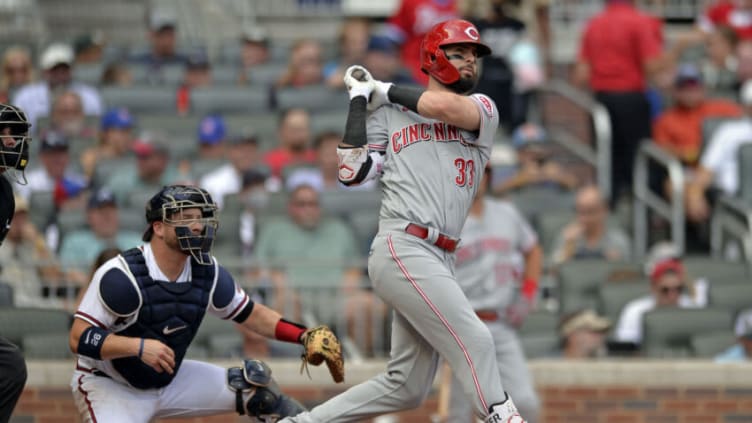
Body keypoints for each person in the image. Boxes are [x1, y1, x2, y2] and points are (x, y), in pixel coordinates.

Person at [281, 19, 525, 422]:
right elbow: (351, 173)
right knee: (477, 339)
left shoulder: (483, 108)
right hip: (404, 244)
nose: (469, 62)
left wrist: (383, 89)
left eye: (473, 55)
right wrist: (360, 101)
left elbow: (445, 107)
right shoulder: (389, 113)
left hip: (441, 256)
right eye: (459, 53)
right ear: (433, 58)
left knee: (407, 386)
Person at [68, 184, 324, 422]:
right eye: (185, 218)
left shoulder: (207, 271)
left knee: (261, 394)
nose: (197, 225)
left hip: (170, 378)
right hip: (111, 384)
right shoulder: (122, 275)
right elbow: (79, 339)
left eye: (199, 217)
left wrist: (303, 336)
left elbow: (251, 314)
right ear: (158, 227)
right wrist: (137, 346)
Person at [448, 165, 542, 422]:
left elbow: (533, 249)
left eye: (481, 172)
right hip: (464, 326)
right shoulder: (446, 217)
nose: (476, 179)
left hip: (501, 324)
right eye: (469, 172)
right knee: (458, 412)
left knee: (526, 402)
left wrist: (528, 292)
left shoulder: (507, 213)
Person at [573, 0, 668, 207]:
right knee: (638, 161)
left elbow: (581, 73)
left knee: (607, 163)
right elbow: (652, 65)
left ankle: (611, 207)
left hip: (602, 102)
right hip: (631, 99)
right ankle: (639, 212)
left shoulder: (594, 24)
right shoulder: (640, 22)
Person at [0, 103, 32, 422]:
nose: (12, 142)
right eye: (5, 134)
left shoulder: (5, 194)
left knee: (9, 367)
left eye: (16, 135)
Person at [686, 79, 752, 224]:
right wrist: (695, 193)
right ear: (747, 106)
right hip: (734, 202)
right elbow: (706, 169)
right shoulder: (730, 132)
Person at [652, 62, 742, 168]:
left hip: (721, 166)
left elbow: (745, 117)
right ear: (675, 91)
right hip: (685, 168)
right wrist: (687, 154)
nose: (690, 91)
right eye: (683, 87)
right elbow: (661, 148)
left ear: (703, 89)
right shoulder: (666, 119)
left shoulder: (720, 108)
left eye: (694, 85)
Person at [12, 42, 103, 130]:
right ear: (45, 71)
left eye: (64, 69)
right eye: (54, 69)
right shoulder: (26, 96)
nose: (60, 74)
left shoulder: (90, 96)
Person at [613, 256, 701, 346]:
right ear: (653, 288)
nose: (672, 295)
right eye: (665, 290)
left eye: (678, 289)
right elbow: (625, 347)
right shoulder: (635, 311)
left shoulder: (691, 309)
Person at [551, 185, 631, 266]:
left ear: (604, 210)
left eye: (590, 212)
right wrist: (568, 248)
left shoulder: (617, 241)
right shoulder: (567, 237)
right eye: (581, 212)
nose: (585, 218)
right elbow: (553, 271)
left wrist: (616, 262)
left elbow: (629, 274)